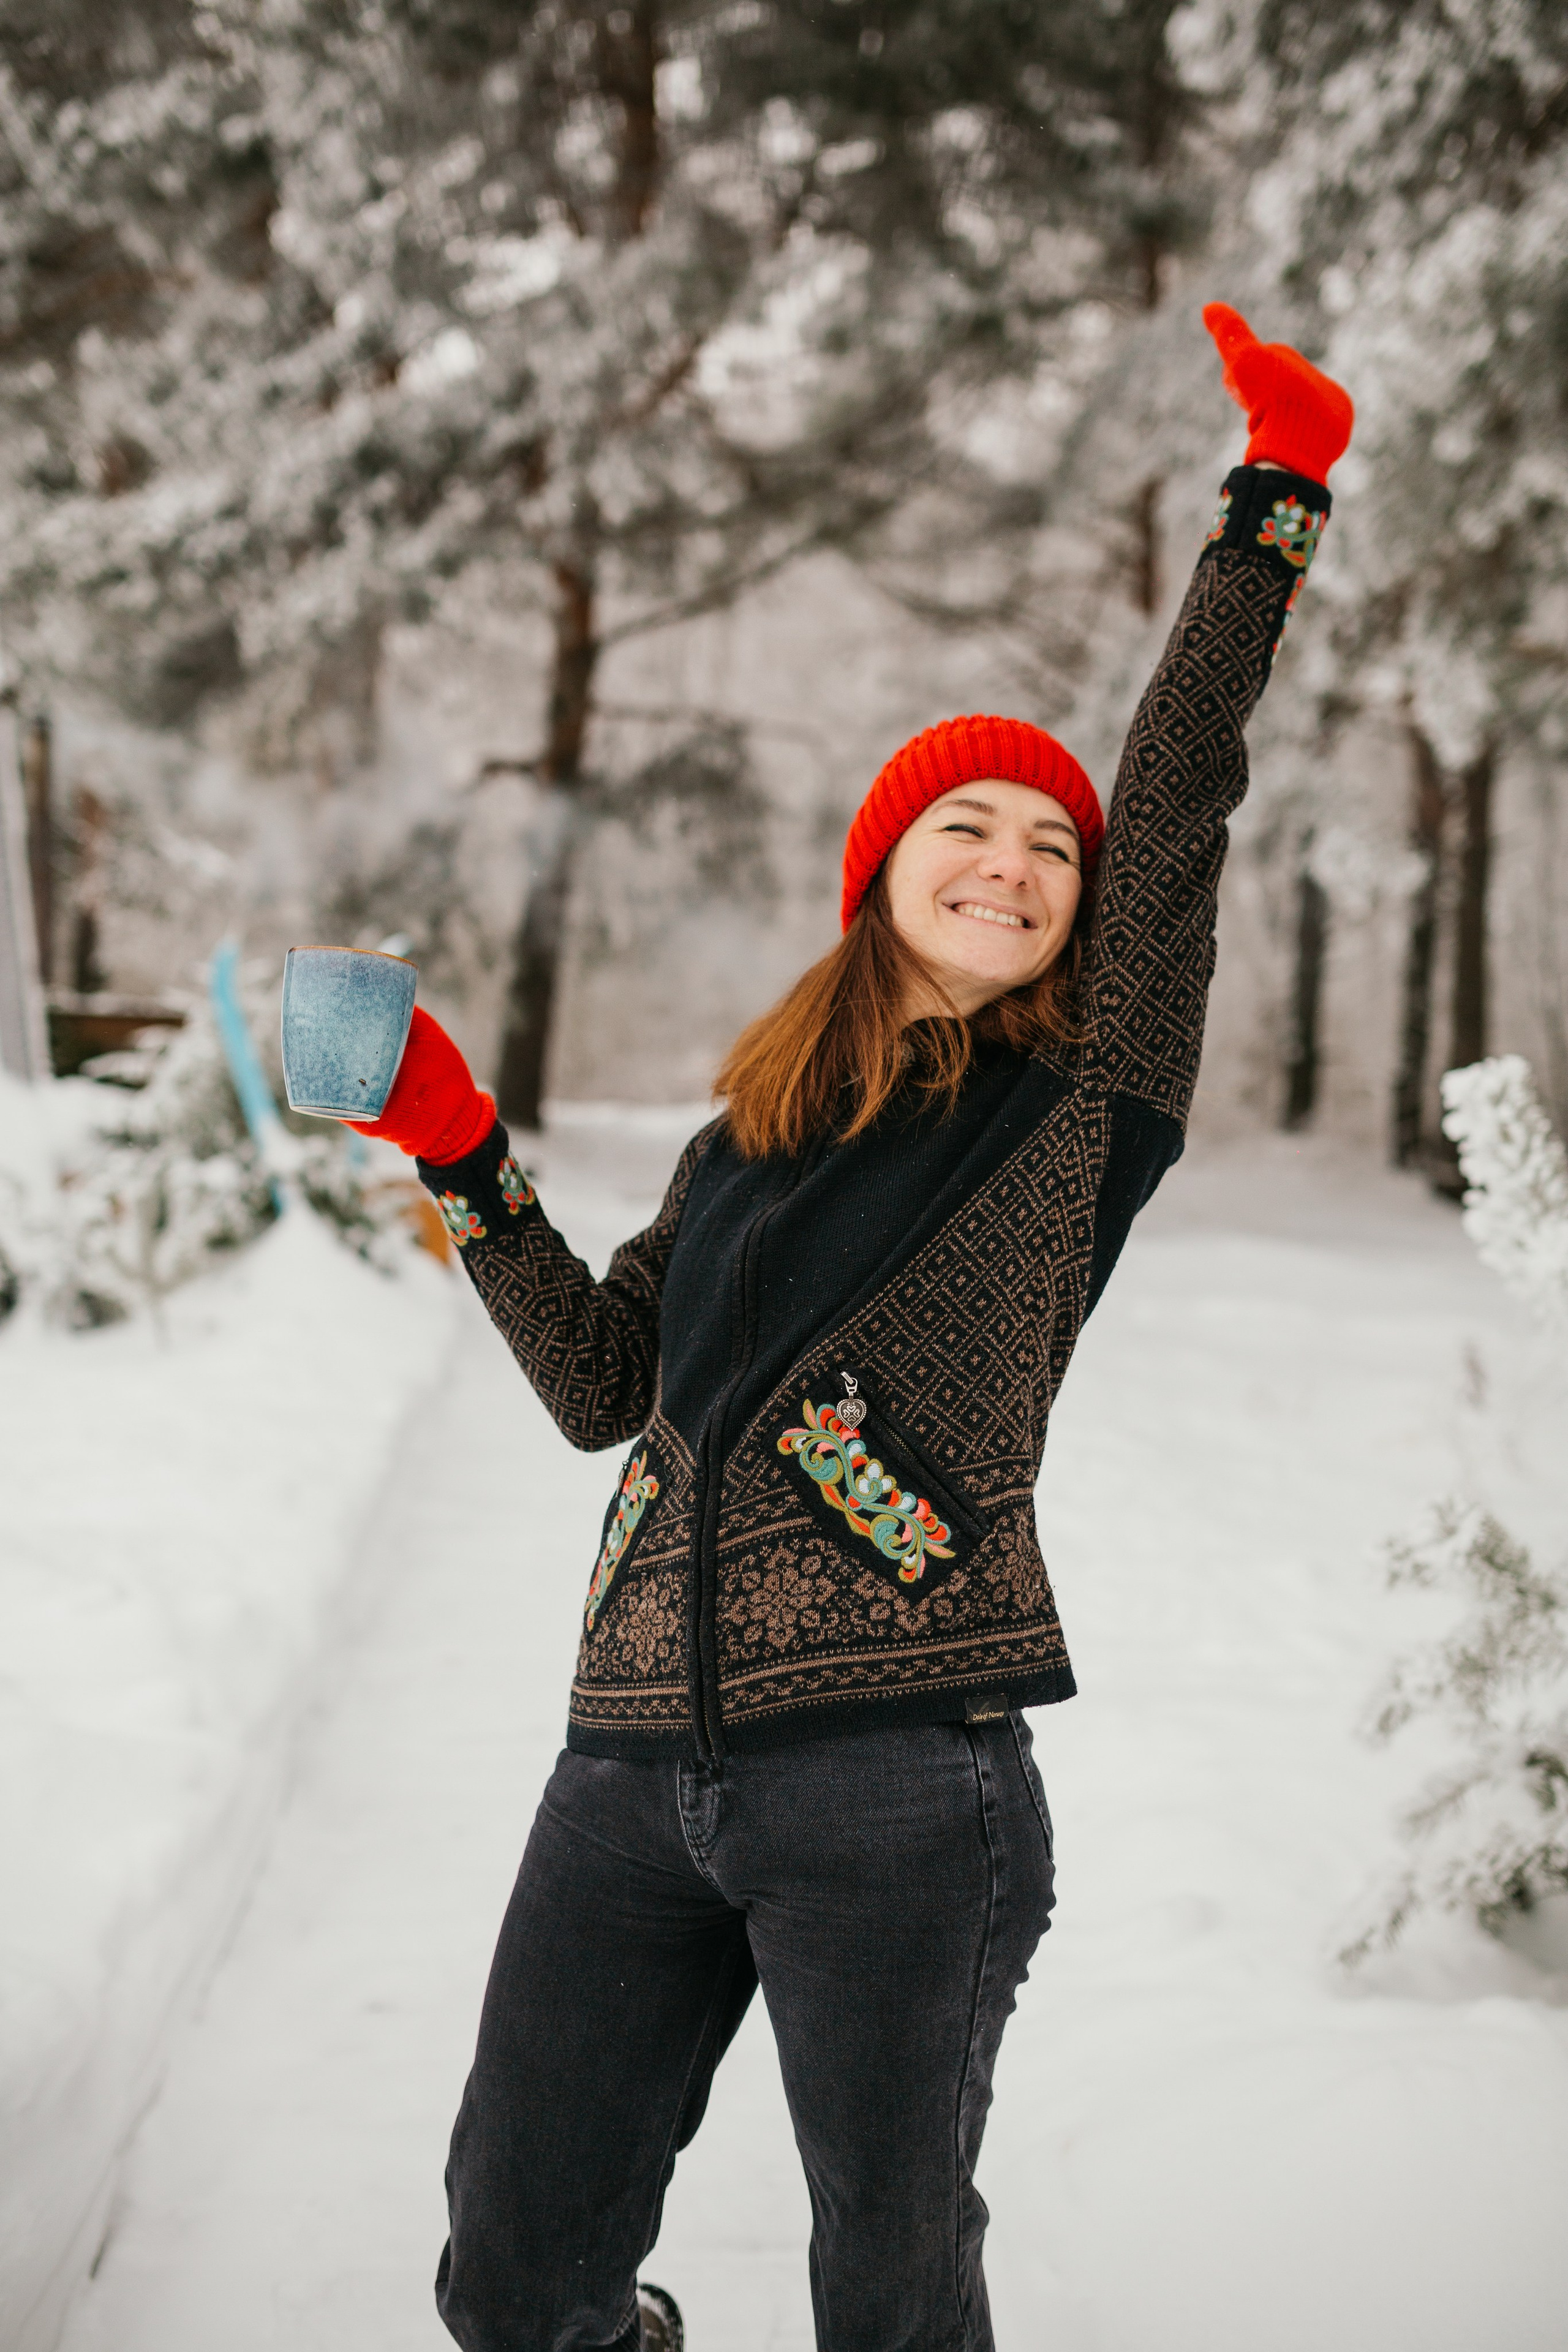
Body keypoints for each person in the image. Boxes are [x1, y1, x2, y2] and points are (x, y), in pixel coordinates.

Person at [352, 303, 1352, 2352]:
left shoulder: (1078, 1114)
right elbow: (599, 1391)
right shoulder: (748, 1140)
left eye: (1049, 849)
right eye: (968, 828)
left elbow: (1175, 801)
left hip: (903, 1788)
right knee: (513, 2277)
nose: (1018, 862)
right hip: (626, 1767)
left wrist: (1271, 507)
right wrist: (466, 1154)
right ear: (880, 873)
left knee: (890, 2297)